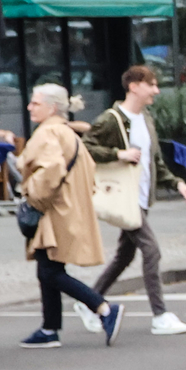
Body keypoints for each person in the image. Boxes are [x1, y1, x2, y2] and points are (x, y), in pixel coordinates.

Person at [79, 65, 186, 337]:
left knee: (124, 255)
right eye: (151, 85)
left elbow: (154, 161)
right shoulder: (112, 118)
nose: (155, 90)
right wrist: (118, 154)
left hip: (140, 198)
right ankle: (160, 315)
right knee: (151, 250)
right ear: (134, 86)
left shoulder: (146, 119)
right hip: (125, 198)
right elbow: (85, 146)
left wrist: (176, 182)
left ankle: (90, 301)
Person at [16, 82, 121, 349]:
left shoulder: (48, 132)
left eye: (35, 102)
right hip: (66, 209)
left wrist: (32, 193)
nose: (30, 106)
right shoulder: (67, 133)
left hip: (53, 211)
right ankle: (50, 328)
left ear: (52, 107)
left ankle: (103, 308)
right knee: (49, 267)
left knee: (50, 271)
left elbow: (51, 169)